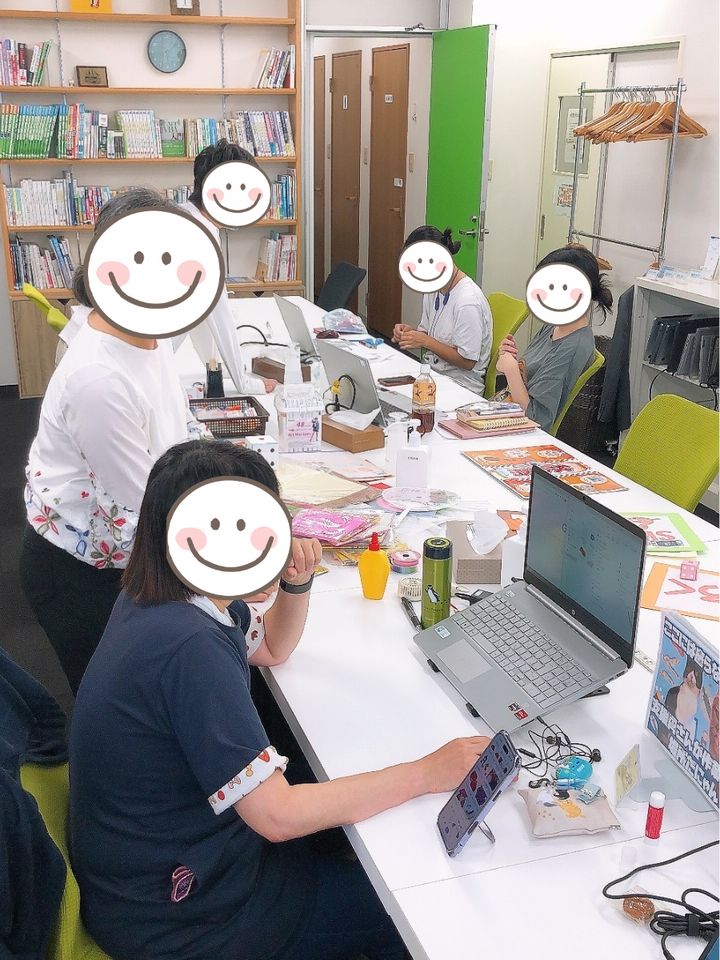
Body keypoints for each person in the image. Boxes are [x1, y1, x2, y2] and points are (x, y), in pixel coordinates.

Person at [69, 439, 490, 960]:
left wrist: (296, 583)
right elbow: (278, 816)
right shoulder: (189, 646)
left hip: (157, 867)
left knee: (361, 836)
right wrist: (427, 772)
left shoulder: (165, 593)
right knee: (411, 910)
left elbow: (271, 648)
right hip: (185, 921)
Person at [19, 188, 212, 695]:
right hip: (82, 568)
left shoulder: (149, 333)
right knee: (119, 703)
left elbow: (179, 429)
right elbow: (142, 508)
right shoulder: (98, 379)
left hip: (130, 542)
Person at [177, 139, 277, 396]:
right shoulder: (199, 237)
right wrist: (244, 383)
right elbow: (218, 314)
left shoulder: (184, 217)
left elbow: (202, 311)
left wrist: (214, 369)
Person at [495, 247, 612, 432]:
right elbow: (528, 380)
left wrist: (510, 369)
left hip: (523, 433)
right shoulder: (554, 325)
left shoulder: (573, 346)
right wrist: (509, 357)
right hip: (503, 414)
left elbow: (537, 420)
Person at [392, 225, 493, 391]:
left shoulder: (468, 301)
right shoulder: (433, 289)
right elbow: (427, 333)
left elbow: (468, 361)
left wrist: (425, 341)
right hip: (432, 374)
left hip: (461, 385)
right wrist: (411, 334)